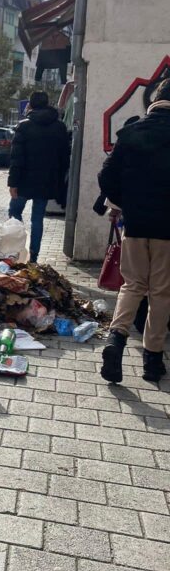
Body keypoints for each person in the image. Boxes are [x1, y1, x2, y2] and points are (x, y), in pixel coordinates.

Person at [97, 78, 170, 383]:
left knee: (132, 285)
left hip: (136, 223)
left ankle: (116, 340)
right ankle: (152, 360)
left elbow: (106, 175)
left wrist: (125, 203)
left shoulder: (132, 132)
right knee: (161, 291)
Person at [7, 90, 70, 263]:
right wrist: (59, 179)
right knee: (37, 219)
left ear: (31, 105)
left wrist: (13, 183)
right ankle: (33, 256)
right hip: (46, 181)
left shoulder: (24, 126)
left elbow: (16, 158)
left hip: (24, 180)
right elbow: (65, 156)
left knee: (14, 213)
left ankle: (16, 249)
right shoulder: (59, 127)